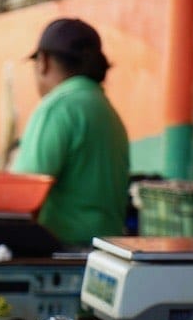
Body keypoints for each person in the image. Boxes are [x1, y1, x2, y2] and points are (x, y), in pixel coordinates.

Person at [11, 18, 129, 245]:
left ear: (43, 61)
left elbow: (22, 197)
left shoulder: (58, 107)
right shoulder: (105, 108)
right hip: (106, 250)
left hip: (62, 252)